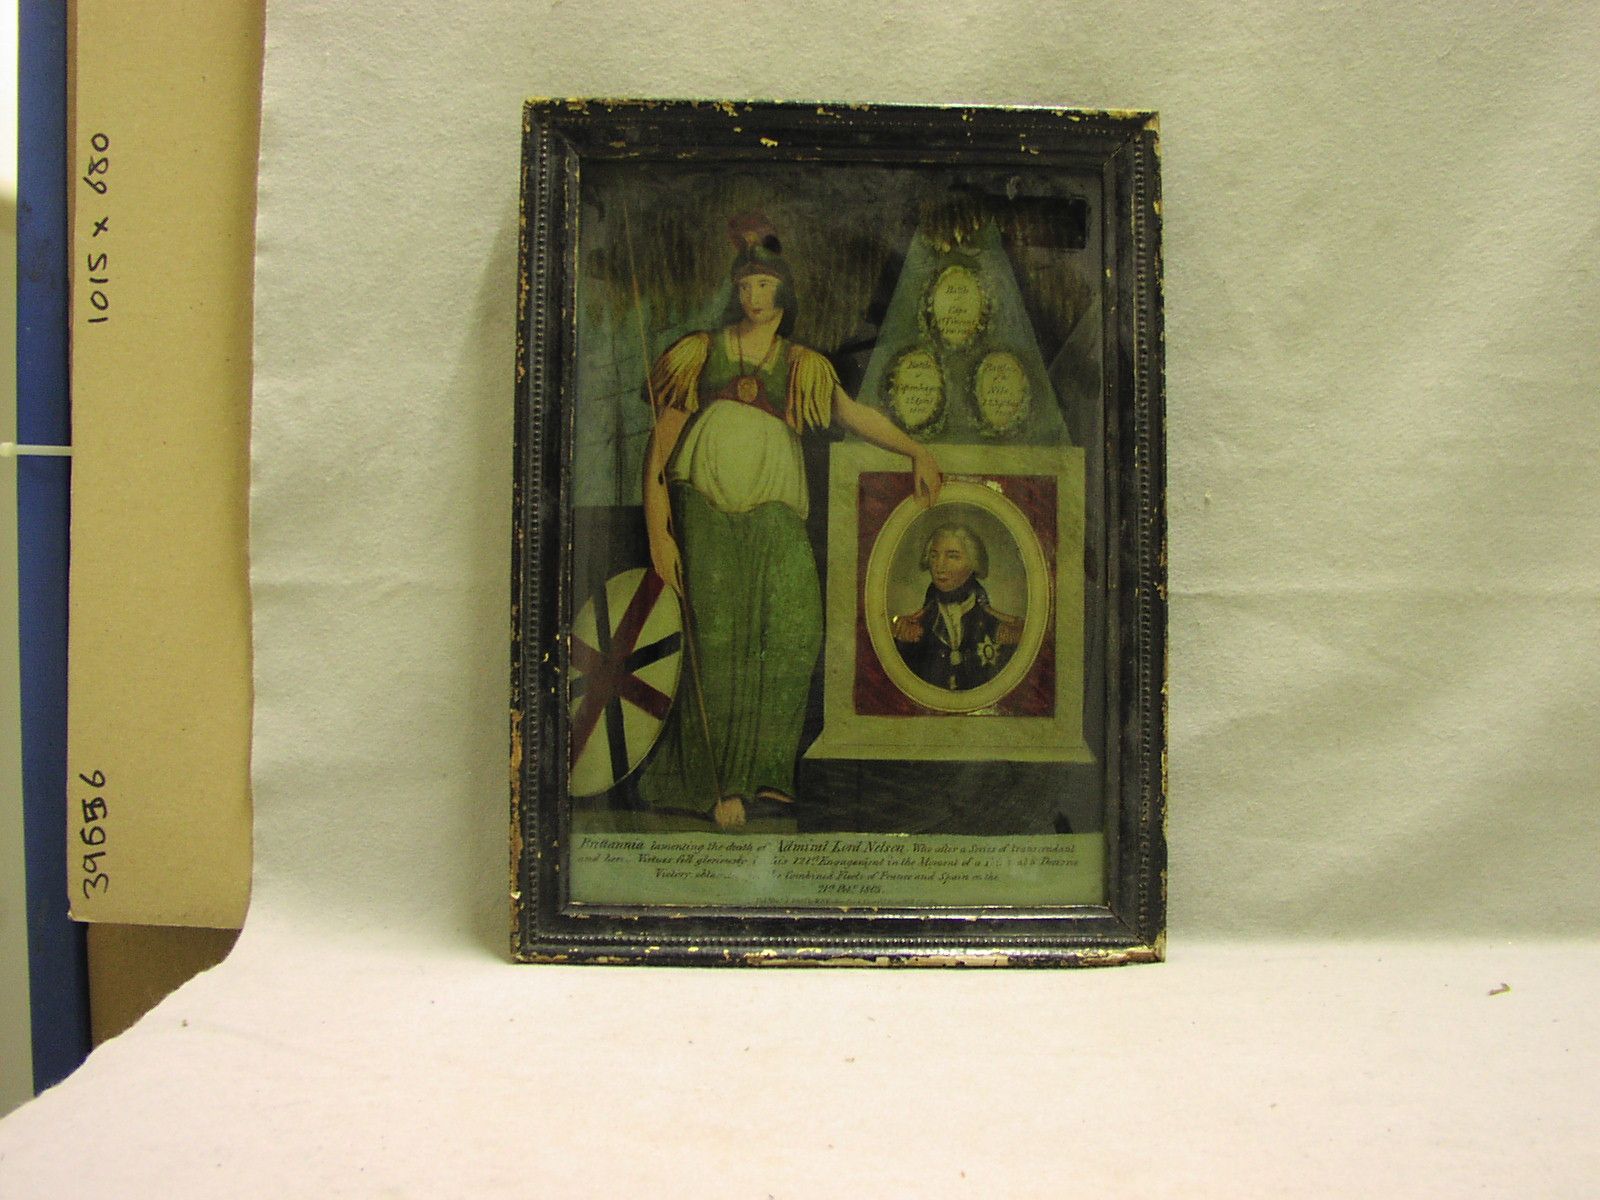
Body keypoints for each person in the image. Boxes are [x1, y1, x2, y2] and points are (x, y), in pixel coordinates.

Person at [637, 213, 941, 830]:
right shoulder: (701, 353)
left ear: (784, 291)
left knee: (797, 631)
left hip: (776, 515)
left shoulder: (803, 365)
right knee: (717, 643)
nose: (754, 296)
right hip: (705, 510)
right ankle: (714, 786)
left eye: (765, 285)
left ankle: (767, 777)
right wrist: (658, 534)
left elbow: (855, 416)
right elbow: (659, 453)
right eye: (745, 285)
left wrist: (917, 451)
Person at [891, 524, 1022, 692]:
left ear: (974, 563)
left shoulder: (1000, 629)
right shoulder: (912, 628)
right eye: (934, 556)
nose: (939, 566)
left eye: (952, 556)